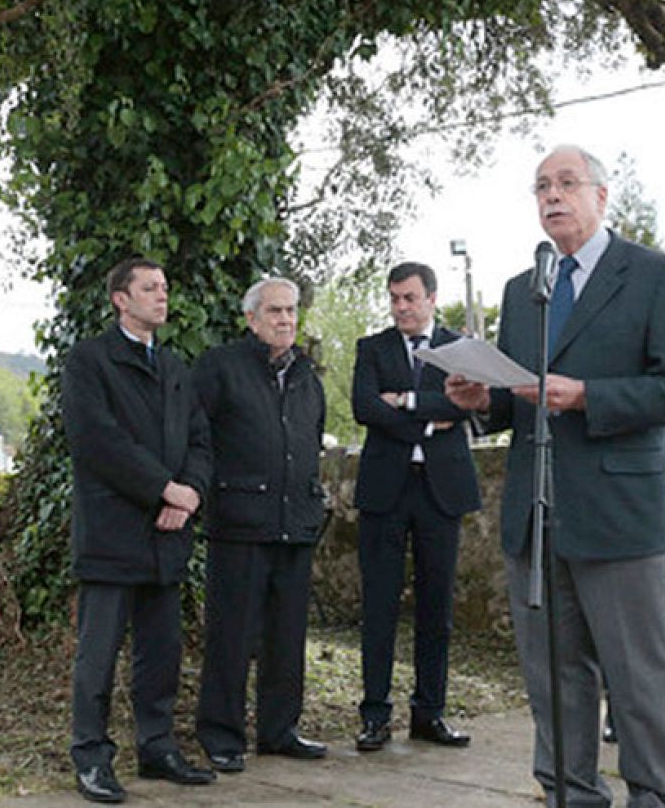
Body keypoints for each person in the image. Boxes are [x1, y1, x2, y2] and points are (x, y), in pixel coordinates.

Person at [447, 144, 665, 807]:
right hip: (537, 513)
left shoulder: (657, 275)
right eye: (541, 187)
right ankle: (570, 793)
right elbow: (519, 395)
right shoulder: (523, 289)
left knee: (638, 678)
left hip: (620, 511)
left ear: (601, 195)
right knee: (552, 679)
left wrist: (587, 395)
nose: (552, 196)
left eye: (566, 183)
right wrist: (482, 399)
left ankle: (660, 796)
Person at [61, 257, 215, 803]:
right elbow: (97, 440)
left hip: (167, 533)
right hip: (112, 530)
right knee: (98, 654)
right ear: (120, 300)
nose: (162, 296)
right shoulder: (89, 361)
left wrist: (189, 493)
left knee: (161, 651)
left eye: (165, 287)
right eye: (149, 288)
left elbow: (199, 438)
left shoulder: (174, 366)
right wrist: (162, 489)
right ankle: (91, 757)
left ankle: (157, 746)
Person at [193, 277, 328, 772]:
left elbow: (310, 441)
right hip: (239, 522)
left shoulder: (306, 375)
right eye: (275, 311)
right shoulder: (220, 368)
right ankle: (221, 734)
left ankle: (279, 730)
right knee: (231, 636)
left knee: (287, 637)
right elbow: (196, 437)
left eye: (291, 311)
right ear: (251, 318)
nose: (286, 319)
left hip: (296, 524)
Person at [352, 261, 482, 751]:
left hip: (440, 490)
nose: (400, 307)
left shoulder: (460, 349)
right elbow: (365, 407)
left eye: (409, 297)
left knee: (436, 608)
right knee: (379, 606)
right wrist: (430, 419)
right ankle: (375, 715)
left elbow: (465, 406)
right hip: (385, 489)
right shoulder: (372, 348)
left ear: (431, 298)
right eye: (394, 298)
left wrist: (406, 402)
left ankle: (430, 713)